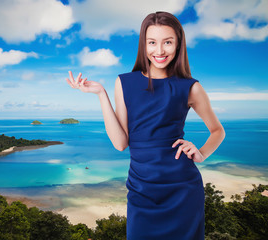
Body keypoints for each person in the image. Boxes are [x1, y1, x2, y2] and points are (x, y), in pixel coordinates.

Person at [66, 11, 225, 240]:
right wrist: (101, 93)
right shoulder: (124, 82)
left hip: (183, 190)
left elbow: (218, 131)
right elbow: (121, 143)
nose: (159, 51)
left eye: (167, 42)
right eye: (152, 42)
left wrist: (201, 153)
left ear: (178, 44)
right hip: (141, 191)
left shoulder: (190, 87)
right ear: (144, 44)